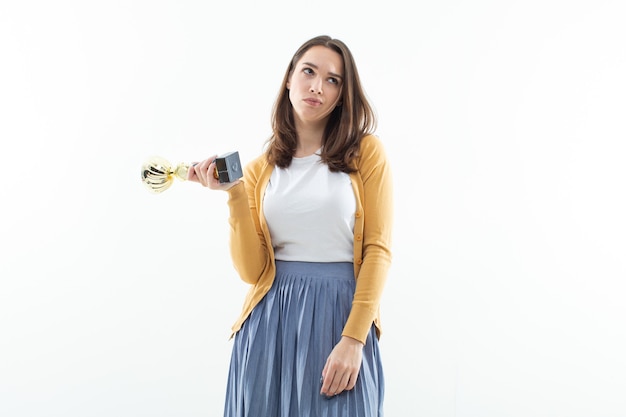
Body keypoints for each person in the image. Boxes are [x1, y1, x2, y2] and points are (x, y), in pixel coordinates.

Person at [188, 35, 393, 417]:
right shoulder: (258, 170)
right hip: (270, 323)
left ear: (343, 94)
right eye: (309, 72)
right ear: (289, 78)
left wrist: (353, 339)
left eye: (333, 80)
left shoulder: (366, 153)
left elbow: (377, 249)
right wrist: (234, 194)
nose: (317, 86)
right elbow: (253, 271)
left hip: (341, 317)